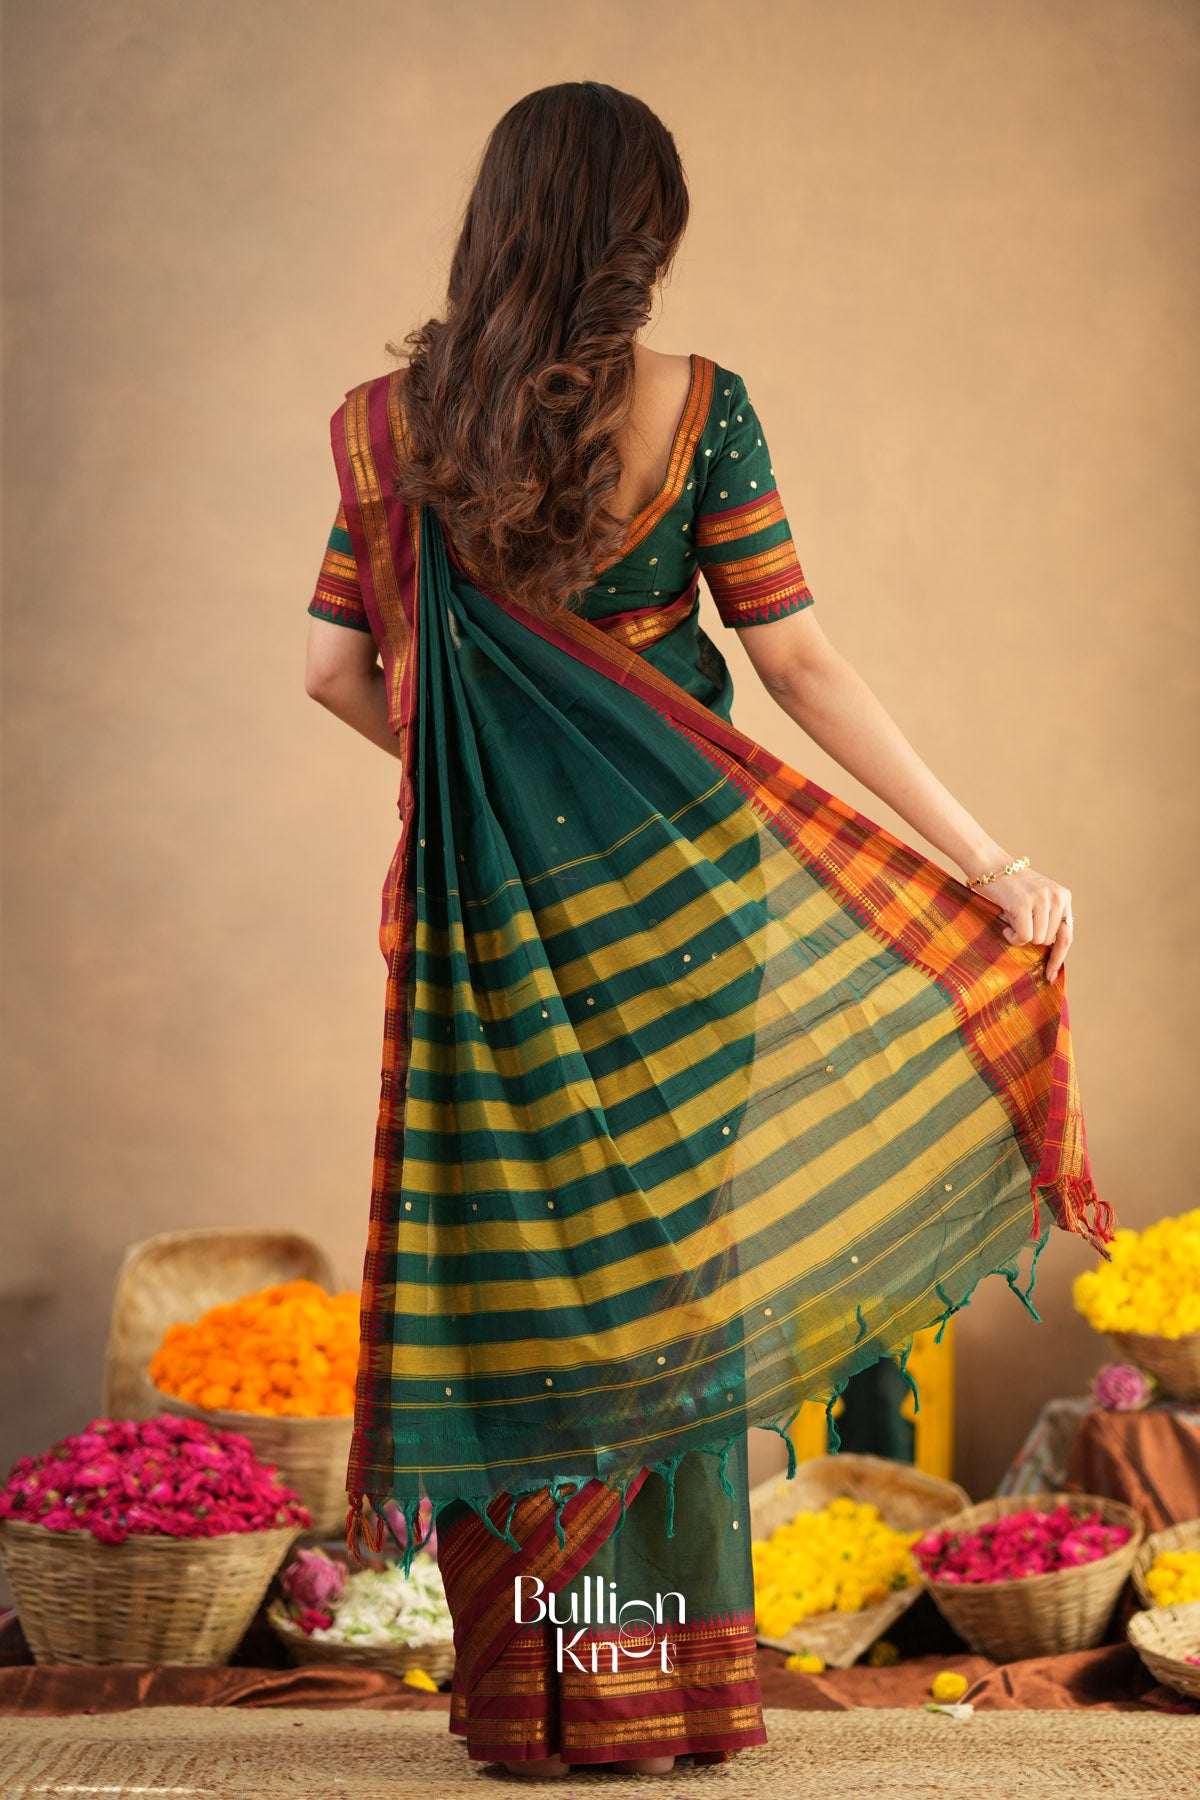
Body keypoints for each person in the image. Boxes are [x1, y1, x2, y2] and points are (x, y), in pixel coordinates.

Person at [303, 81, 1114, 1781]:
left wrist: (487, 790)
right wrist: (979, 864)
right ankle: (664, 1691)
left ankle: (528, 1701)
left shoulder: (392, 429)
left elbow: (334, 671)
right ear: (641, 239)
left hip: (487, 928)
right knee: (663, 1282)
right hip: (687, 907)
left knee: (519, 1272)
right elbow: (798, 660)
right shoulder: (701, 410)